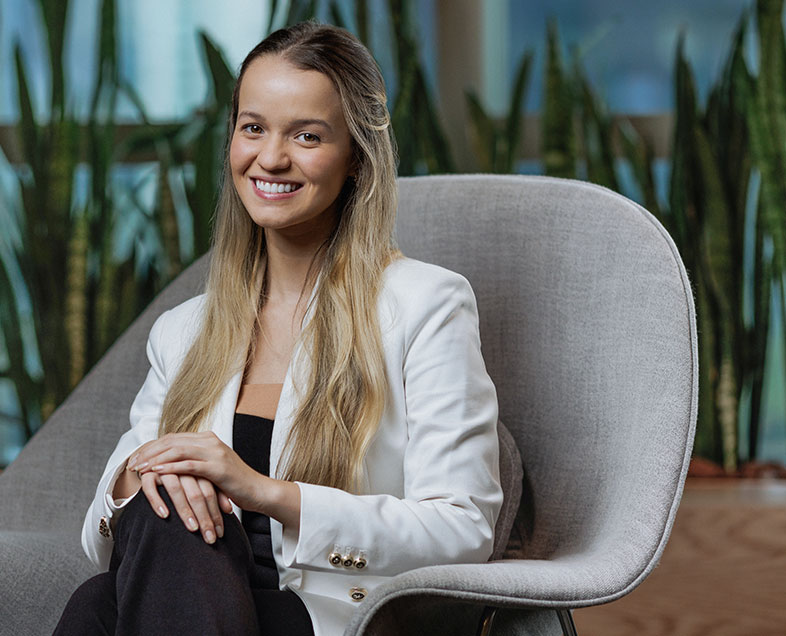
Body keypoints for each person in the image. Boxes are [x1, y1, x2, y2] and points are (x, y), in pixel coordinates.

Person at [55, 21, 502, 636]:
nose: (270, 157)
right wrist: (138, 475)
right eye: (253, 127)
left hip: (323, 618)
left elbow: (463, 530)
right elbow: (102, 539)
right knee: (141, 547)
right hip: (183, 601)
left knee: (96, 611)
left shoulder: (427, 306)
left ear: (355, 159)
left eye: (308, 135)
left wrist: (264, 492)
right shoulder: (184, 331)